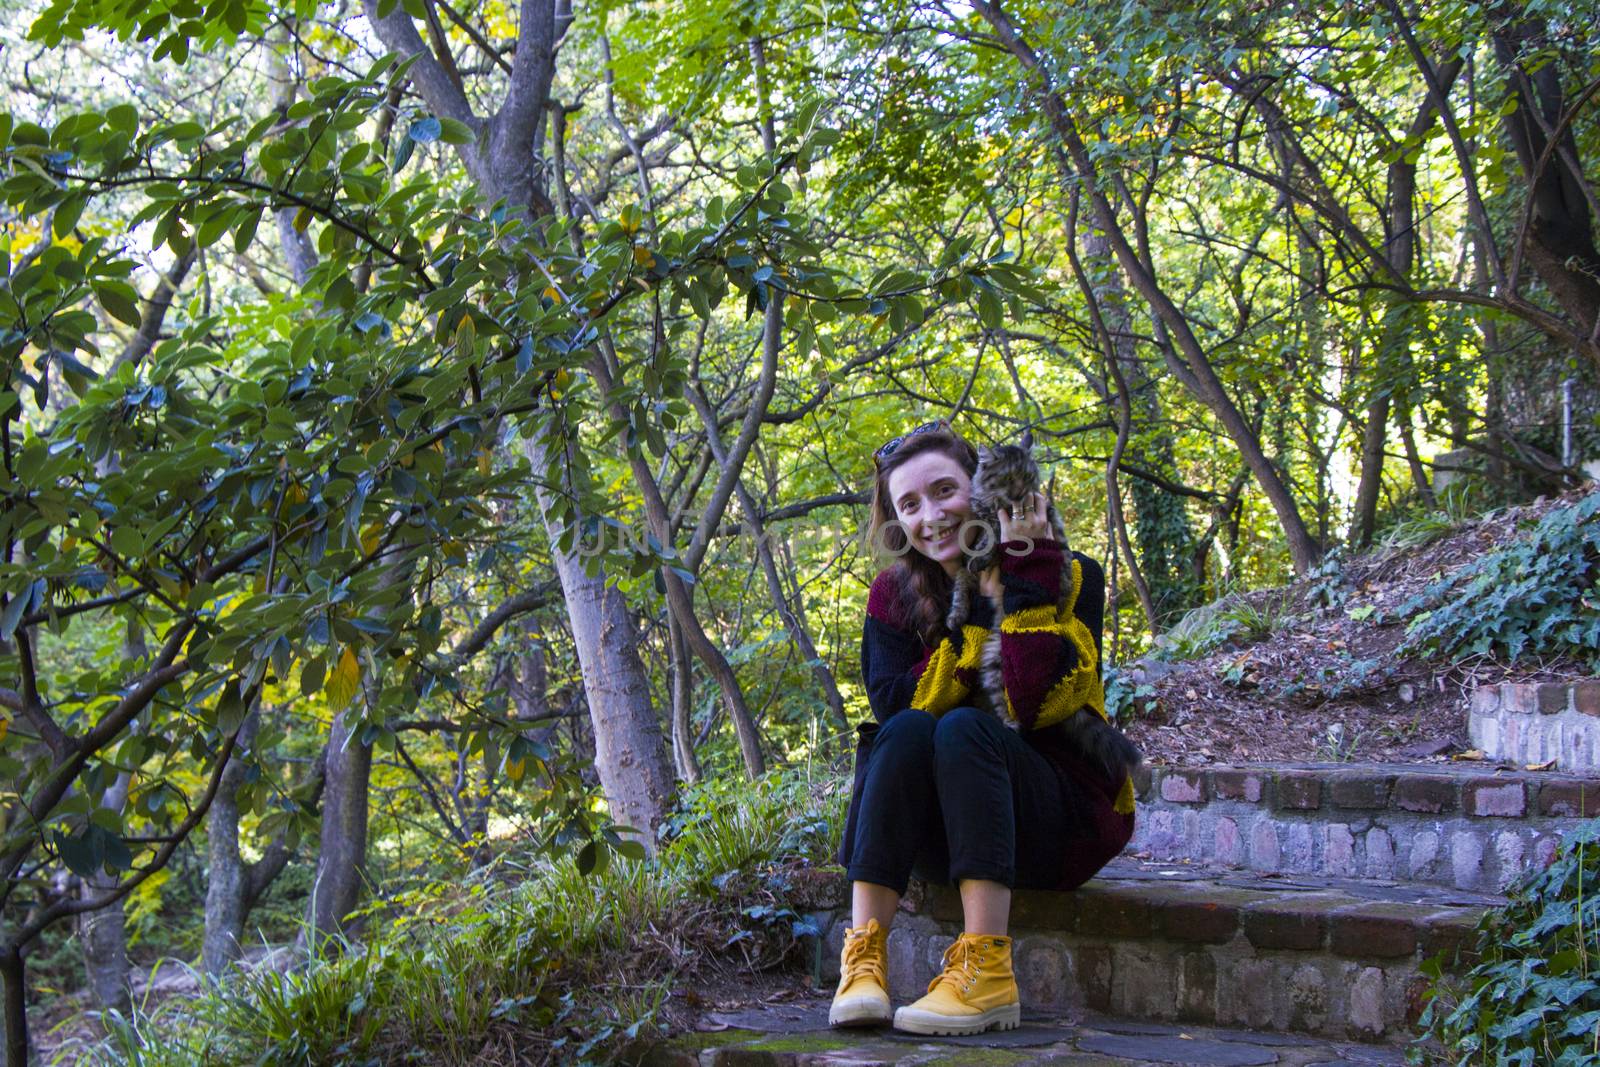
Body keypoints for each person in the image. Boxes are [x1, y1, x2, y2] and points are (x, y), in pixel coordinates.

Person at [830, 418, 1135, 1036]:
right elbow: (899, 715)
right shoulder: (891, 596)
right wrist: (972, 635)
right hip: (944, 828)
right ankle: (862, 962)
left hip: (1056, 821)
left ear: (983, 487)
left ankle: (988, 969)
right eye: (908, 504)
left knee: (964, 727)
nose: (930, 517)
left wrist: (1028, 576)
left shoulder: (1071, 573)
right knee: (916, 731)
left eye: (944, 491)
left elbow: (1031, 705)